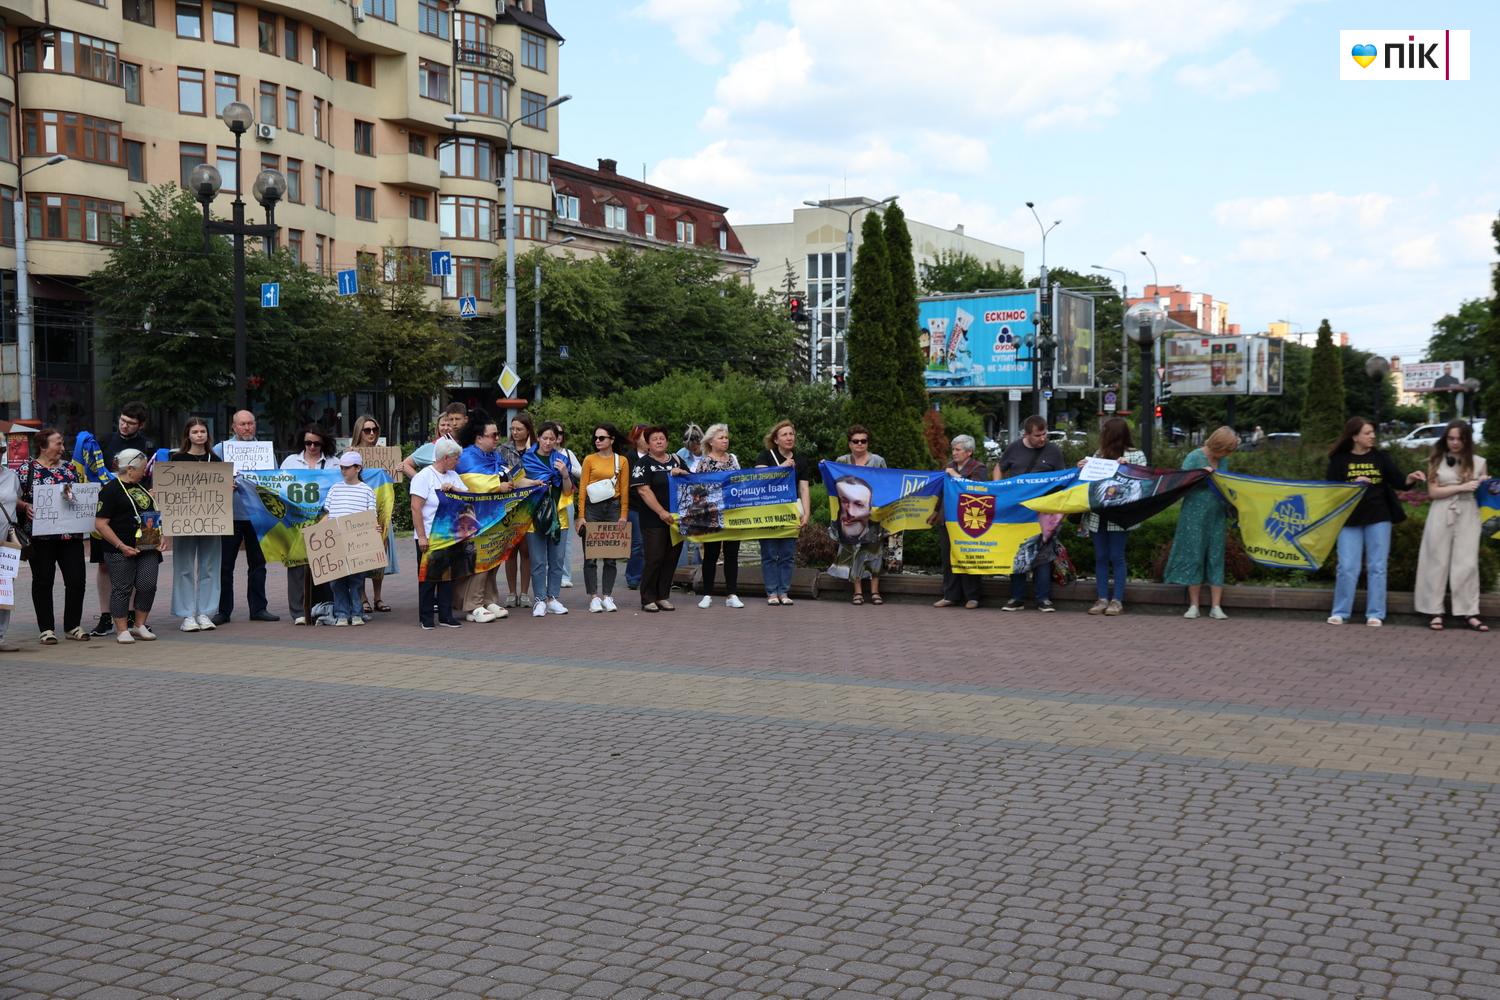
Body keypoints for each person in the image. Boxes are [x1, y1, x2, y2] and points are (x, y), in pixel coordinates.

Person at [1325, 416, 1426, 627]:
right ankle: (1341, 612)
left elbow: (1399, 481)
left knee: (1377, 566)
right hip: (1349, 519)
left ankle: (1376, 613)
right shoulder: (1339, 460)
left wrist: (1411, 478)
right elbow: (1330, 491)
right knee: (1347, 566)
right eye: (1367, 433)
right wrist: (1353, 483)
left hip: (1379, 517)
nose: (1372, 436)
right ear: (1354, 436)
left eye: (1372, 433)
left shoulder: (1380, 457)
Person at [1415, 420, 1489, 632]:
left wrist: (1486, 484)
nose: (1455, 442)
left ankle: (1469, 611)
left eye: (1459, 438)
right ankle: (1434, 611)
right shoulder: (1435, 460)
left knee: (1467, 562)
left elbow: (1484, 494)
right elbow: (1433, 493)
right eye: (1451, 438)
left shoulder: (1478, 462)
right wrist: (1462, 487)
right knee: (1435, 560)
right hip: (1441, 511)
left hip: (1468, 511)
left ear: (1467, 439)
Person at [89, 402, 154, 637]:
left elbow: (154, 478)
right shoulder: (104, 441)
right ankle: (107, 615)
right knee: (106, 564)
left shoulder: (148, 445)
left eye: (131, 423)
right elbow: (91, 470)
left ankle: (133, 617)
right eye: (122, 421)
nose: (125, 426)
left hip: (137, 513)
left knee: (141, 566)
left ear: (141, 425)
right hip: (108, 507)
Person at [19, 427, 88, 643]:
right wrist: (25, 506)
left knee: (76, 580)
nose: (62, 448)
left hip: (69, 536)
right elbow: (15, 499)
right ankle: (46, 628)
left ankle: (72, 626)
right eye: (58, 443)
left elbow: (73, 496)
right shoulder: (26, 469)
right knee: (42, 581)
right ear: (43, 446)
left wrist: (76, 498)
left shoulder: (69, 469)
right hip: (40, 537)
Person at [1164, 425, 1239, 619]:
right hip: (1194, 513)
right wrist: (1199, 475)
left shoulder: (1224, 460)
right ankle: (1194, 605)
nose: (1227, 454)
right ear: (1218, 444)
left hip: (1217, 513)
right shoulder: (1194, 457)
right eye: (1226, 449)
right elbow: (1180, 484)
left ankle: (1216, 606)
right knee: (1194, 554)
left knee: (1216, 554)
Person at [213, 409, 279, 625]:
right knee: (224, 566)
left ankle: (259, 608)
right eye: (242, 424)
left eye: (250, 423)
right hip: (229, 515)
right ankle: (223, 610)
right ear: (233, 427)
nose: (247, 428)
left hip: (257, 515)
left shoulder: (265, 451)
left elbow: (276, 480)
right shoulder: (221, 450)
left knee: (258, 564)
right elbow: (208, 480)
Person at [94, 449, 165, 644]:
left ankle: (139, 624)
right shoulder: (110, 490)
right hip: (121, 548)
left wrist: (160, 536)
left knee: (147, 585)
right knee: (122, 588)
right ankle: (121, 629)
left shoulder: (141, 487)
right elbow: (100, 524)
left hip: (148, 547)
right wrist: (120, 545)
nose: (145, 473)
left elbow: (153, 516)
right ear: (130, 469)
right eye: (142, 469)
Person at [997, 416, 1067, 613]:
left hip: (1044, 512)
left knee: (1043, 555)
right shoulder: (1014, 448)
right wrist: (998, 488)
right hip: (1018, 511)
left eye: (1045, 434)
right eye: (1038, 435)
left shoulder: (1053, 451)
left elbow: (1062, 479)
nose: (1043, 438)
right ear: (1026, 434)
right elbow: (1000, 468)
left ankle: (1043, 598)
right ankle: (1016, 598)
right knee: (1018, 551)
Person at [1081, 417, 1147, 617]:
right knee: (1100, 556)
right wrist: (1082, 467)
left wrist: (1129, 468)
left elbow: (1145, 481)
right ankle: (1102, 598)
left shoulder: (1136, 456)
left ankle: (1117, 600)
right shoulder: (1098, 455)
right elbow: (1088, 482)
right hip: (1098, 513)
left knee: (1116, 556)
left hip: (1120, 514)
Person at [169, 418, 222, 633]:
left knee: (210, 567)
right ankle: (187, 614)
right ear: (188, 435)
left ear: (208, 435)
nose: (199, 435)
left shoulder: (216, 460)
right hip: (184, 521)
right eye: (195, 431)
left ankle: (205, 613)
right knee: (184, 567)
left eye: (202, 431)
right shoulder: (177, 459)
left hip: (212, 520)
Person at [753, 420, 814, 606]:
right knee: (770, 553)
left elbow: (804, 489)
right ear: (776, 440)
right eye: (784, 435)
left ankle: (784, 591)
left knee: (787, 553)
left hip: (790, 510)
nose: (789, 437)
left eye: (791, 434)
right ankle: (772, 592)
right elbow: (758, 476)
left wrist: (806, 513)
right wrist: (781, 467)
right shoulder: (765, 456)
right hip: (768, 510)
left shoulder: (800, 460)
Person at [280, 425, 335, 625]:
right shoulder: (290, 461)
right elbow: (278, 487)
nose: (312, 447)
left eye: (316, 443)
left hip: (324, 519)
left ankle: (320, 606)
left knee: (324, 562)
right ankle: (298, 611)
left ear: (324, 443)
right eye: (308, 443)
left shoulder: (333, 464)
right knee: (296, 564)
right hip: (296, 521)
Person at [410, 438, 466, 630]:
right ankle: (426, 617)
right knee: (428, 577)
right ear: (445, 457)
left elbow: (466, 498)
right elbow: (416, 508)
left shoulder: (453, 475)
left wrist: (455, 489)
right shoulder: (424, 476)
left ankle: (446, 614)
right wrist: (422, 536)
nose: (457, 462)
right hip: (430, 534)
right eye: (455, 458)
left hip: (449, 535)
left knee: (448, 577)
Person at [632, 425, 689, 612]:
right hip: (654, 520)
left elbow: (693, 482)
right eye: (654, 439)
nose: (658, 441)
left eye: (662, 438)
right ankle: (647, 597)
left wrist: (682, 474)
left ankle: (663, 595)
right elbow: (643, 490)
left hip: (677, 519)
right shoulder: (643, 464)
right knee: (654, 557)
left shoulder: (677, 460)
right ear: (647, 444)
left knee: (671, 557)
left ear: (667, 441)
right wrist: (661, 512)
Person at [522, 421, 576, 616]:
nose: (548, 442)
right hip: (534, 515)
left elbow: (569, 491)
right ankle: (539, 599)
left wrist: (564, 474)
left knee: (557, 559)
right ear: (538, 438)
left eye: (552, 439)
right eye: (544, 438)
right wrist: (533, 482)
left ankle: (553, 598)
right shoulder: (527, 459)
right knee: (537, 560)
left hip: (558, 517)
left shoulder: (562, 460)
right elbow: (518, 482)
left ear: (557, 440)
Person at [931, 434, 990, 609]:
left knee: (967, 556)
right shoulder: (949, 467)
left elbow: (977, 491)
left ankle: (972, 596)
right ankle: (950, 595)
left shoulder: (978, 468)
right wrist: (935, 511)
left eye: (958, 450)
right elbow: (942, 491)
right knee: (948, 556)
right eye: (953, 449)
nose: (954, 453)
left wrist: (956, 476)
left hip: (968, 520)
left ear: (969, 452)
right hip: (947, 518)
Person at [578, 423, 631, 613]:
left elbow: (624, 489)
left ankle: (608, 595)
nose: (597, 441)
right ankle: (593, 596)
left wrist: (623, 514)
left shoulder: (621, 461)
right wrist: (581, 515)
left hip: (613, 507)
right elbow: (582, 488)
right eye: (596, 438)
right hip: (593, 508)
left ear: (612, 440)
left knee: (611, 556)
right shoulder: (589, 459)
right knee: (590, 555)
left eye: (602, 438)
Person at [691, 423, 745, 609]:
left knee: (732, 554)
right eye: (721, 438)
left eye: (726, 437)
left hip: (731, 513)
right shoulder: (704, 462)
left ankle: (732, 593)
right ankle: (707, 594)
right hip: (711, 514)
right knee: (711, 554)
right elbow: (697, 487)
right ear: (711, 441)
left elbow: (740, 482)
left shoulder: (733, 459)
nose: (725, 440)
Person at [323, 451, 379, 627]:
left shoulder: (366, 490)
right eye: (341, 467)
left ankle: (356, 613)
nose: (343, 471)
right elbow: (328, 514)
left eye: (347, 468)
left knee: (356, 580)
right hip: (337, 540)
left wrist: (374, 528)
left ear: (358, 468)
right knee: (336, 580)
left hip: (357, 541)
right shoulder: (335, 488)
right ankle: (341, 613)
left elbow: (371, 516)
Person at [833, 425, 887, 606]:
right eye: (856, 441)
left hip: (872, 513)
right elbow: (834, 485)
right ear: (849, 444)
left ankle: (875, 591)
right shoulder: (841, 461)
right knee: (854, 549)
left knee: (875, 551)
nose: (860, 444)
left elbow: (886, 484)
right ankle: (857, 591)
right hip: (850, 514)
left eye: (863, 441)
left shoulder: (878, 461)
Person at [352, 413, 396, 615]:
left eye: (375, 430)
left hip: (380, 509)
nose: (371, 433)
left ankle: (378, 597)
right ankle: (362, 597)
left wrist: (398, 468)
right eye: (367, 430)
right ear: (359, 432)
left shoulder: (383, 454)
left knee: (379, 553)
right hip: (359, 509)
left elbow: (392, 481)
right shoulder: (350, 455)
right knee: (360, 555)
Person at [502, 411, 536, 607]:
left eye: (519, 429)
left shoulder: (537, 449)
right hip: (509, 504)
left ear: (528, 430)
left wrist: (532, 449)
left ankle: (524, 592)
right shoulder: (503, 449)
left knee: (526, 550)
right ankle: (511, 592)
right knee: (510, 549)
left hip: (530, 503)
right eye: (512, 429)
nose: (515, 432)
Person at [400, 402, 468, 479]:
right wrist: (421, 481)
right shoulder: (435, 445)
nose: (454, 423)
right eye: (443, 425)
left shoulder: (471, 441)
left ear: (465, 420)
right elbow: (405, 464)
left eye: (448, 425)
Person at [554, 424, 584, 590]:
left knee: (566, 540)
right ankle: (549, 574)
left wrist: (567, 470)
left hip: (566, 498)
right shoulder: (540, 453)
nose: (557, 436)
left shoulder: (567, 453)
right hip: (547, 499)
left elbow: (581, 472)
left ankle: (565, 575)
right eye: (554, 432)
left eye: (560, 433)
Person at [0, 454, 23, 651]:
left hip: (6, 542)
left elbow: (18, 500)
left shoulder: (11, 476)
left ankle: (0, 637)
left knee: (5, 589)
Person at [623, 423, 650, 590]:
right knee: (638, 543)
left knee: (652, 543)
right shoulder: (628, 458)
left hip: (653, 506)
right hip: (634, 506)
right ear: (636, 438)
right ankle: (633, 576)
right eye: (644, 436)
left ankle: (648, 575)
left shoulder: (656, 457)